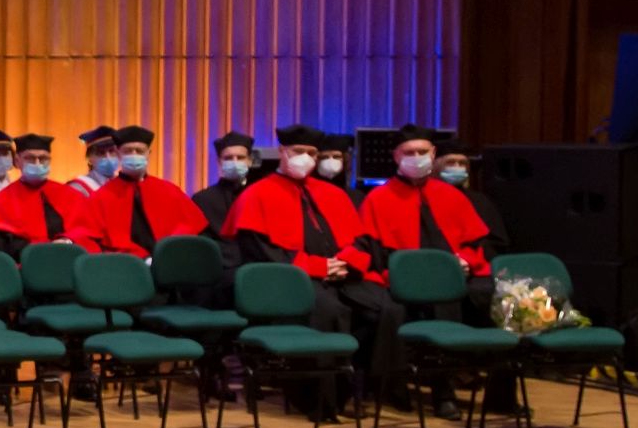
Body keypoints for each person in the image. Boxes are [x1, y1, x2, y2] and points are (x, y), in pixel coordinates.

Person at [224, 124, 399, 411]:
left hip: (340, 274)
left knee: (386, 308)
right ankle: (321, 399)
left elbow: (359, 240)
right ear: (282, 151)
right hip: (291, 281)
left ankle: (367, 389)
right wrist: (319, 267)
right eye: (299, 151)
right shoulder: (257, 194)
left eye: (312, 153)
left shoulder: (332, 194)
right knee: (329, 310)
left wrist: (347, 263)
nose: (305, 158)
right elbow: (263, 252)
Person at [363, 125, 508, 416]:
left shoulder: (451, 196)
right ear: (396, 156)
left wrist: (466, 261)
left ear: (433, 154)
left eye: (422, 151)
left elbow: (475, 243)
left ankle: (501, 396)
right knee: (441, 300)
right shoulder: (378, 199)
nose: (416, 157)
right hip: (405, 281)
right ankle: (443, 392)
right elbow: (376, 255)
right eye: (409, 152)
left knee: (503, 300)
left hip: (460, 276)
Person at [73, 125, 208, 257]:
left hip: (169, 261)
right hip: (125, 264)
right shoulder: (101, 197)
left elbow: (193, 230)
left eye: (139, 151)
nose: (134, 155)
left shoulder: (169, 190)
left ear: (148, 154)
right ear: (118, 154)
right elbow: (86, 237)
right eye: (128, 151)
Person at [0, 133, 86, 256]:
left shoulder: (71, 195)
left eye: (43, 158)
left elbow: (84, 230)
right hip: (25, 262)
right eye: (30, 158)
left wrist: (67, 240)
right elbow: (5, 244)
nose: (37, 163)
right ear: (17, 161)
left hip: (68, 258)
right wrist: (43, 251)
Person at [191, 130, 256, 284]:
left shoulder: (261, 196)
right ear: (219, 162)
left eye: (240, 157)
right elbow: (203, 243)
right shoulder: (203, 199)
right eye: (228, 158)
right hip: (220, 273)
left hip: (258, 269)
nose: (235, 162)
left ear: (250, 161)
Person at [433, 137, 509, 259]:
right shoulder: (424, 198)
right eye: (450, 162)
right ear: (434, 166)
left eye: (462, 163)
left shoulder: (479, 201)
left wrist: (469, 258)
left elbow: (496, 242)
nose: (457, 167)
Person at [67, 124, 120, 197]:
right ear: (89, 158)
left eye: (111, 151)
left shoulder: (123, 185)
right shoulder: (77, 188)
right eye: (101, 153)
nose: (108, 157)